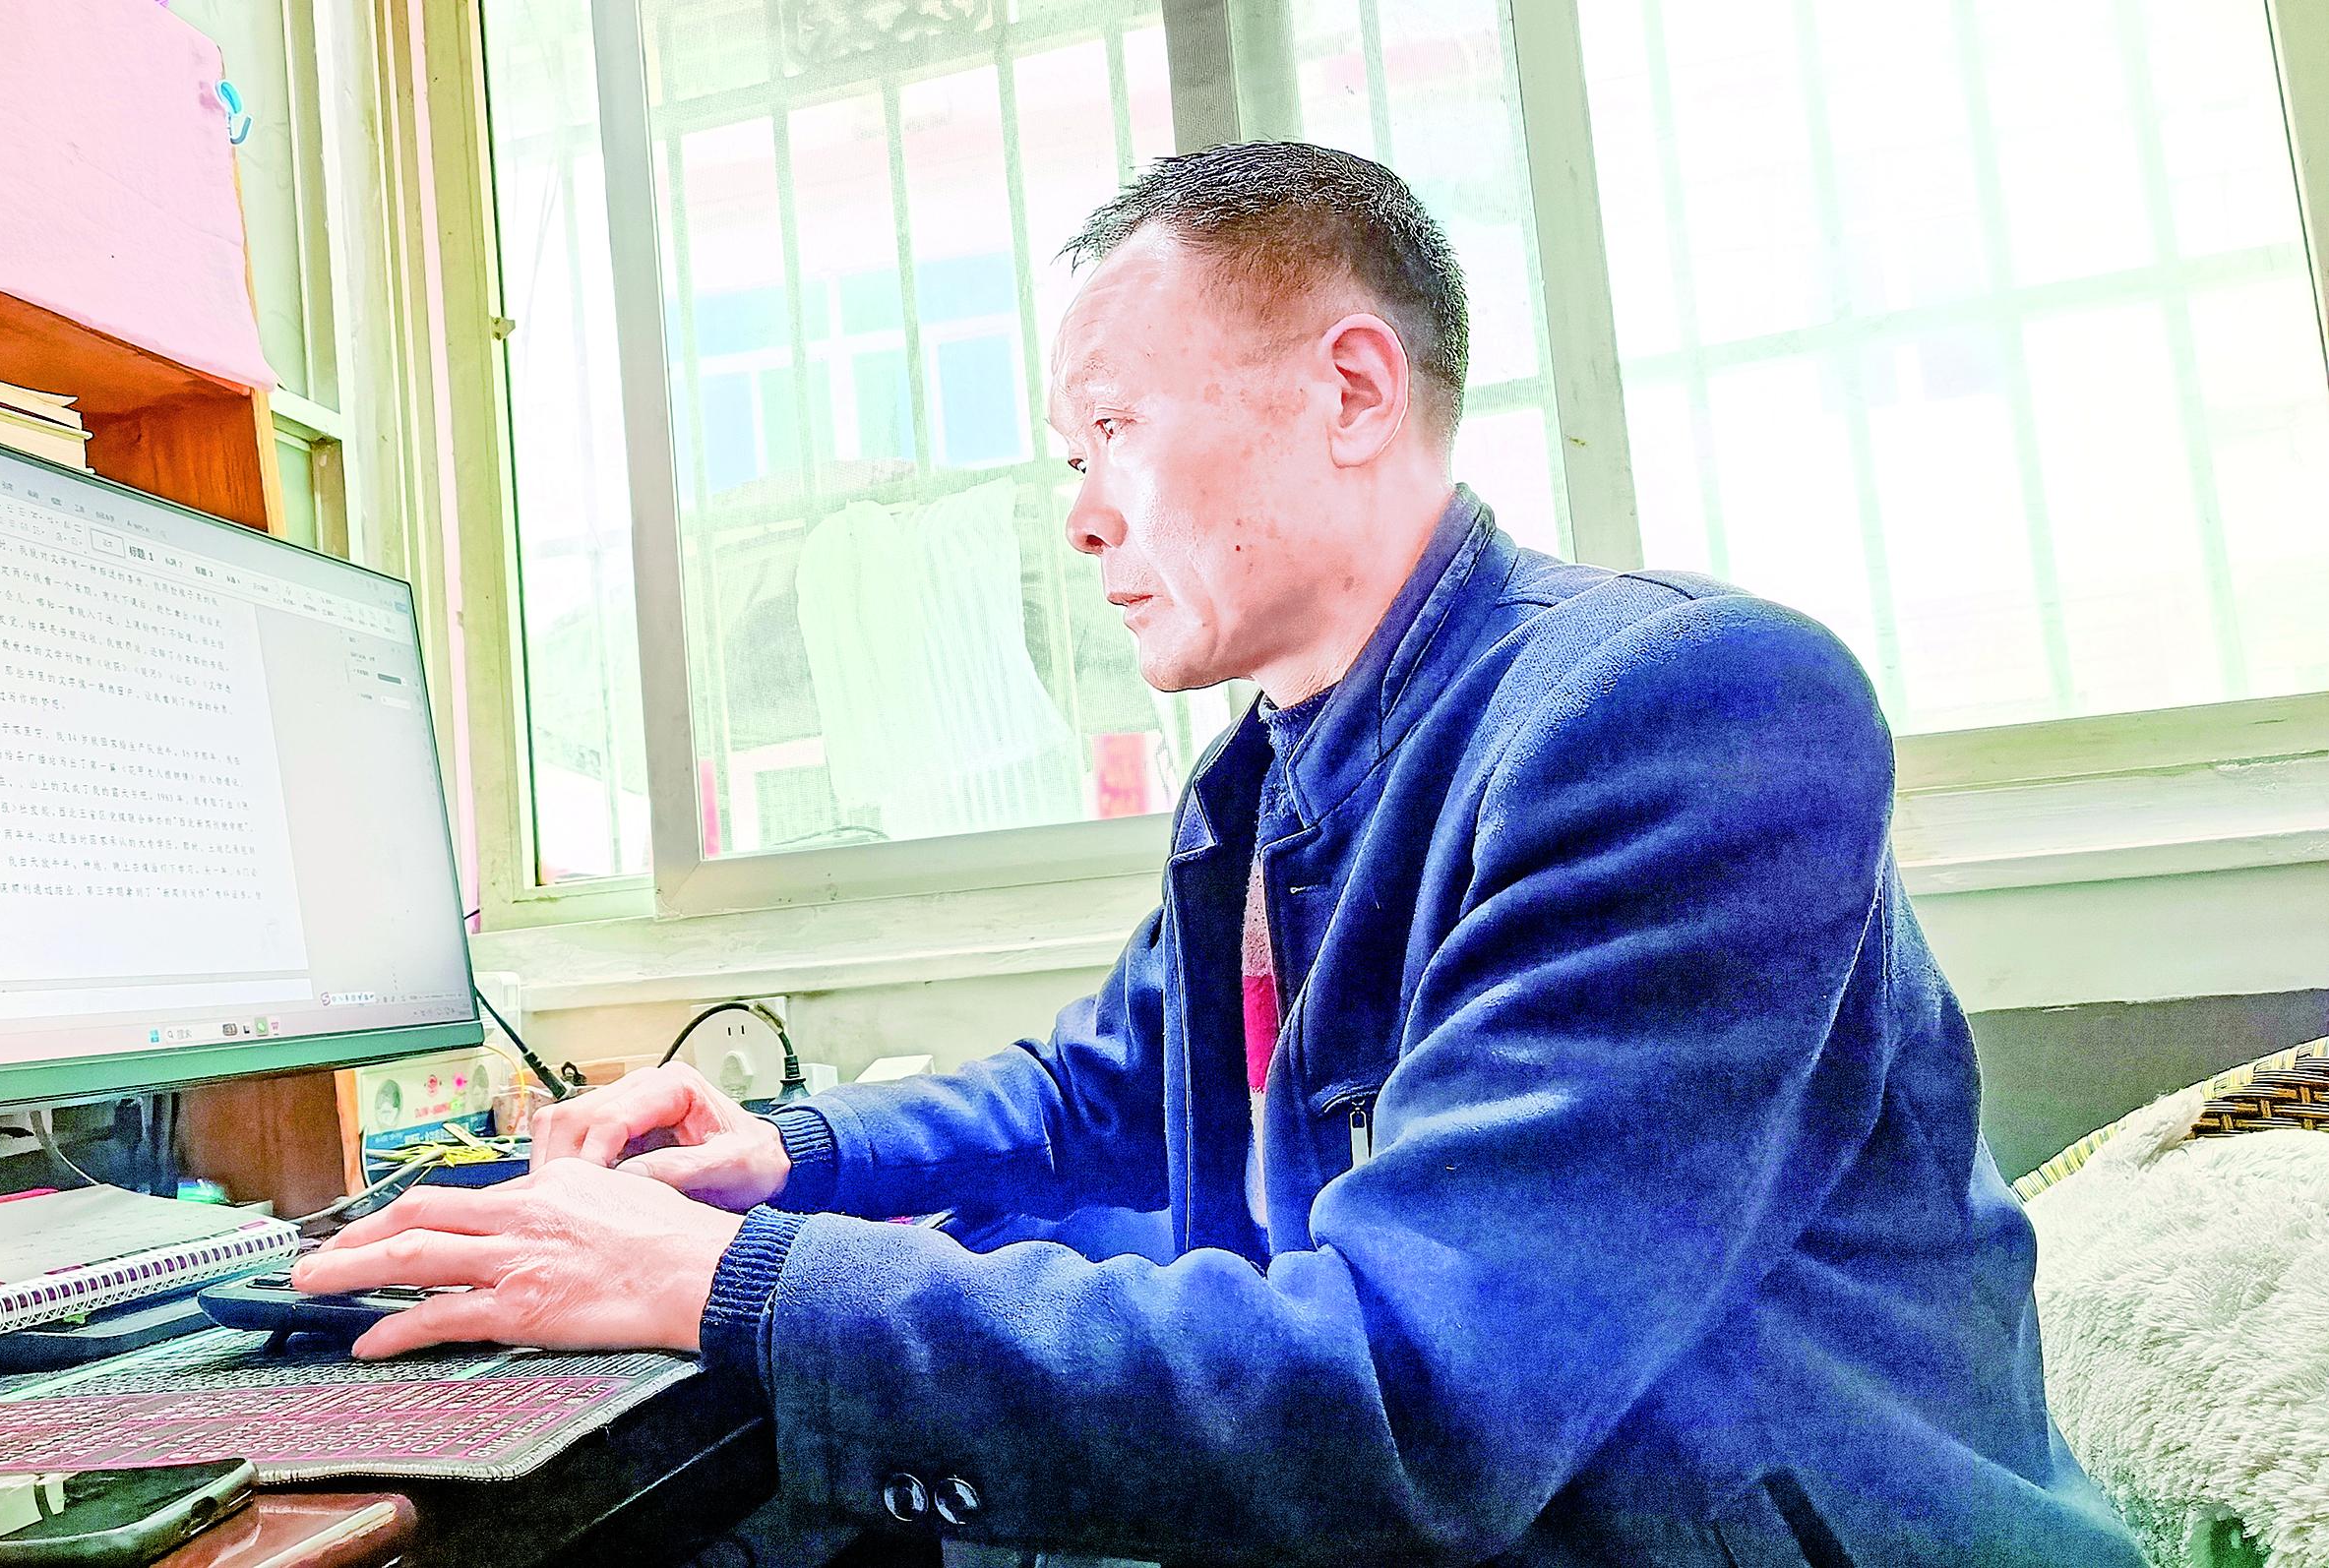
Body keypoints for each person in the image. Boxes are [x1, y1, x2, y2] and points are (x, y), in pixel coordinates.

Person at [292, 142, 2142, 1565]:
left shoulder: (1681, 713)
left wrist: (735, 1279)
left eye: (1114, 429)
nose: (1081, 518)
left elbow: (1419, 1393)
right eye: (1068, 454)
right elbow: (1103, 1091)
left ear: (1353, 392)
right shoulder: (1267, 776)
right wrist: (789, 1154)